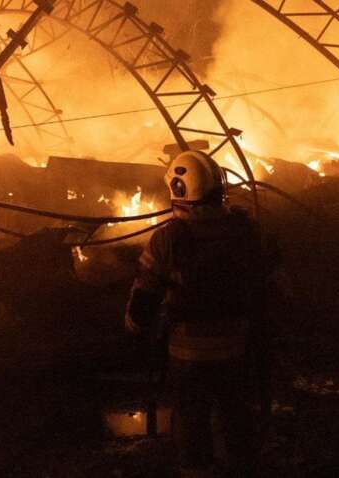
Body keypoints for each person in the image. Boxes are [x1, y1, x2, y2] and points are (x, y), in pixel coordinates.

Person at [125, 150, 268, 478]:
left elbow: (144, 297)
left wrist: (135, 329)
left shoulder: (169, 238)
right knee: (237, 420)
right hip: (237, 347)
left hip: (188, 354)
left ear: (179, 189)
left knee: (192, 426)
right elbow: (263, 283)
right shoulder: (244, 230)